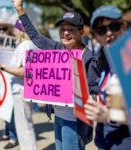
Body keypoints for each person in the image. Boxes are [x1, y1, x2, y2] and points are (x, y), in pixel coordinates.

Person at [12, 0, 95, 150]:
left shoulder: (88, 58)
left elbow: (94, 92)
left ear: (81, 32)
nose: (65, 33)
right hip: (59, 116)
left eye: (71, 29)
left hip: (74, 121)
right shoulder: (57, 49)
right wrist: (19, 9)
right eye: (62, 29)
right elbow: (36, 37)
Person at [84, 5, 131, 150]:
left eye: (114, 26)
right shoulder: (104, 60)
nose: (108, 33)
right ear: (96, 36)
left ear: (124, 27)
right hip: (105, 140)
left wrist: (108, 114)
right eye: (101, 30)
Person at [0, 19, 38, 150]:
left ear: (18, 31)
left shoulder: (24, 46)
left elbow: (24, 71)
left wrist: (1, 66)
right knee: (27, 125)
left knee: (24, 127)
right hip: (26, 89)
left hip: (20, 90)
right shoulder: (32, 44)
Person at [0, 20, 18, 149]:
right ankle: (7, 133)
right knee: (3, 109)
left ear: (8, 30)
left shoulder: (14, 44)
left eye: (4, 29)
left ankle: (13, 137)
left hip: (11, 79)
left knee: (10, 111)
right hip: (0, 82)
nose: (1, 31)